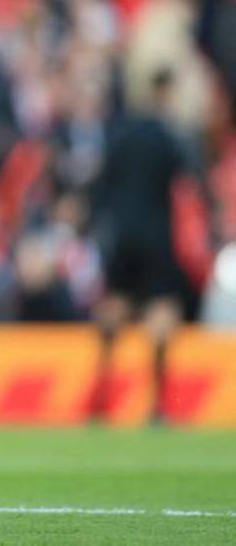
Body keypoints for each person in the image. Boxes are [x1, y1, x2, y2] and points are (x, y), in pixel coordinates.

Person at [89, 68, 198, 424]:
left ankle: (101, 394)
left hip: (121, 233)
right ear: (163, 92)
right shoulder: (168, 135)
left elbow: (100, 184)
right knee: (162, 309)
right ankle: (158, 403)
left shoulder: (118, 133)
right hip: (155, 232)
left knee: (116, 303)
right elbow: (189, 178)